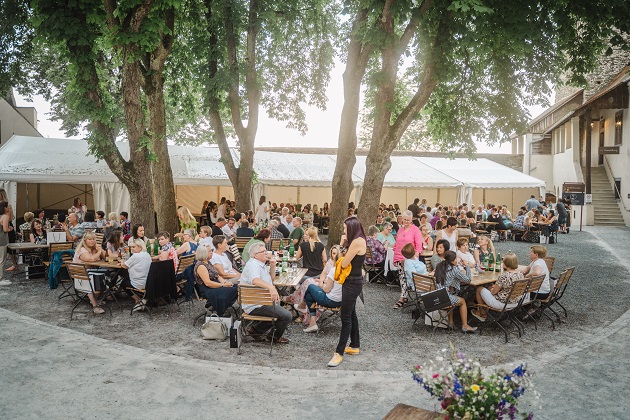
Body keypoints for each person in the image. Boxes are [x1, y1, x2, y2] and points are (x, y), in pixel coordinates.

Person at [327, 217, 366, 368]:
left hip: (351, 283)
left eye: (345, 228)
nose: (344, 231)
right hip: (353, 282)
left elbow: (343, 262)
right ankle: (355, 345)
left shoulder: (356, 242)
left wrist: (343, 244)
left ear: (351, 228)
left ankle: (339, 352)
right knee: (352, 314)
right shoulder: (360, 239)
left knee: (345, 317)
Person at [240, 242, 292, 344]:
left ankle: (255, 330)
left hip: (261, 301)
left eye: (265, 251)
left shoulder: (260, 264)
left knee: (279, 309)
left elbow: (271, 280)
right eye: (263, 251)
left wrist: (272, 266)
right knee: (287, 316)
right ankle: (272, 337)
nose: (266, 253)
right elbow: (255, 280)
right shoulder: (253, 265)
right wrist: (271, 288)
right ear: (255, 255)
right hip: (255, 304)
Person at [472, 252, 525, 321]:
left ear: (506, 264)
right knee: (489, 287)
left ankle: (482, 313)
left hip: (502, 303)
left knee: (479, 289)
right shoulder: (520, 274)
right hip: (515, 302)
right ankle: (485, 310)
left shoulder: (504, 276)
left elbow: (494, 292)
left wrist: (492, 289)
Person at [434, 251, 477, 333]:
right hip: (444, 298)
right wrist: (467, 266)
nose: (456, 260)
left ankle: (451, 323)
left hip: (436, 296)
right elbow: (468, 280)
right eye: (455, 259)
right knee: (463, 301)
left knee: (452, 293)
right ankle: (465, 326)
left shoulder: (440, 265)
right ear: (452, 261)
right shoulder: (454, 269)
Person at [193, 245, 238, 317]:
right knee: (233, 290)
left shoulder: (208, 262)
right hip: (208, 289)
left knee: (237, 287)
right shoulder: (201, 266)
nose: (212, 253)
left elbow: (217, 276)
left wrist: (225, 282)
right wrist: (223, 285)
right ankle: (219, 310)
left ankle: (219, 306)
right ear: (204, 253)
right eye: (210, 251)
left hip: (215, 284)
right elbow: (208, 283)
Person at [392, 210, 423, 309]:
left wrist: (414, 258)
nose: (406, 222)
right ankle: (403, 296)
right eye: (404, 219)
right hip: (399, 257)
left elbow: (418, 246)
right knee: (402, 278)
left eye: (408, 220)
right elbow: (397, 243)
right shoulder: (400, 230)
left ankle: (418, 297)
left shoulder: (416, 230)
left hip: (410, 258)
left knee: (411, 278)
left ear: (411, 220)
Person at [72, 231, 107, 314]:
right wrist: (98, 252)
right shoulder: (82, 250)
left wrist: (100, 250)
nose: (92, 241)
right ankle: (95, 305)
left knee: (108, 274)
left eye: (94, 239)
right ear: (85, 240)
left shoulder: (93, 249)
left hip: (90, 272)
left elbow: (105, 256)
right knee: (92, 279)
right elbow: (90, 259)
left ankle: (99, 297)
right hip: (80, 275)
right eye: (89, 239)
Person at [301, 268, 343, 333]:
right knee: (309, 296)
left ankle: (302, 305)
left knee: (311, 286)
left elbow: (326, 290)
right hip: (341, 302)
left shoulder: (335, 269)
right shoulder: (349, 269)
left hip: (330, 301)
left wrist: (323, 285)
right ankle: (312, 322)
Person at [118, 238, 152, 312]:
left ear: (140, 247)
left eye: (133, 247)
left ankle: (139, 300)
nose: (132, 249)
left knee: (123, 283)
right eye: (131, 247)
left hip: (139, 283)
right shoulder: (147, 255)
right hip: (148, 282)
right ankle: (142, 299)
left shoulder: (136, 256)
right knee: (126, 278)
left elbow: (125, 266)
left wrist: (121, 261)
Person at [0, 202, 11, 281]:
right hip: (2, 240)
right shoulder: (5, 216)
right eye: (7, 206)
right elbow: (5, 229)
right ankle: (0, 276)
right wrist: (10, 229)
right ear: (4, 208)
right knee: (2, 259)